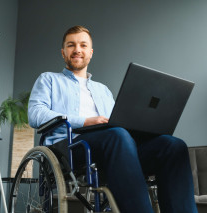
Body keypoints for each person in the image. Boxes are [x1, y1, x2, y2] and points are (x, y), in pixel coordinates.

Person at [28, 25, 197, 213]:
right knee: (117, 135)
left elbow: (119, 122)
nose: (77, 50)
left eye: (83, 45)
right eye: (71, 45)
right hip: (70, 148)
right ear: (63, 52)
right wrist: (85, 121)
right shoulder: (49, 80)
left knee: (172, 145)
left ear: (90, 53)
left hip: (115, 146)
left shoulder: (103, 90)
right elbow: (35, 114)